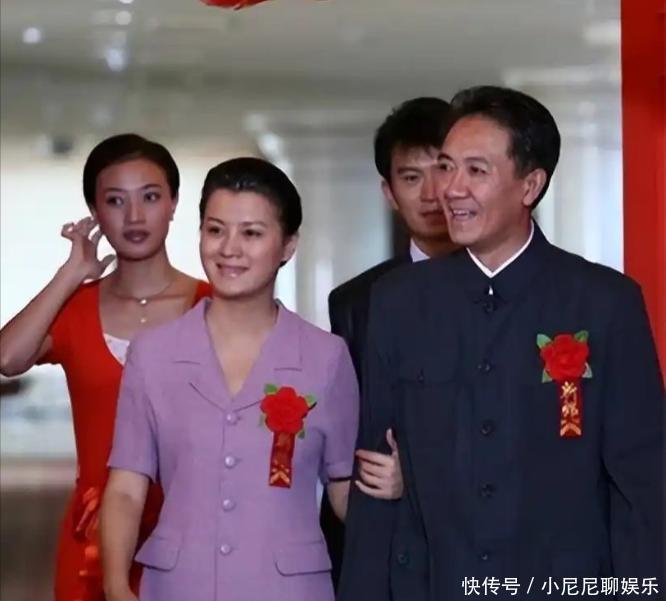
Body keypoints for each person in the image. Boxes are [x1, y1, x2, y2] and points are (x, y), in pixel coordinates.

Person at [338, 86, 664, 601]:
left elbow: (642, 486)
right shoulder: (398, 302)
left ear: (529, 185)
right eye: (447, 167)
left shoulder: (604, 302)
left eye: (476, 170)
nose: (450, 189)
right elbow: (376, 478)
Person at [99, 157, 403, 601]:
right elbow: (127, 486)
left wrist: (396, 495)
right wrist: (115, 585)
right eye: (215, 230)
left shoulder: (326, 357)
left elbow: (341, 487)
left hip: (289, 589)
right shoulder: (153, 354)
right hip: (177, 585)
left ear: (288, 245)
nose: (229, 249)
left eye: (252, 233)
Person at [0, 133, 212, 601]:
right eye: (115, 201)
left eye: (150, 197)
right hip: (93, 537)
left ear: (174, 203)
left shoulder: (212, 306)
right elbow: (8, 358)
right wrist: (71, 273)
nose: (134, 217)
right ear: (95, 213)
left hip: (193, 533)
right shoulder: (77, 307)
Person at [321, 97, 456, 588]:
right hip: (388, 541)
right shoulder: (355, 302)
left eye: (443, 170)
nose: (432, 193)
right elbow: (354, 431)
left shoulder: (511, 287)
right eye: (411, 177)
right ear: (389, 193)